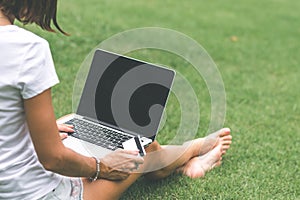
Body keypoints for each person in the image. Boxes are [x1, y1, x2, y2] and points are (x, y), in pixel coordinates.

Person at [0, 1, 232, 199]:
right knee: (139, 150)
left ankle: (187, 156)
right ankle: (193, 152)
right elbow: (53, 159)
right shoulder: (27, 48)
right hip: (36, 193)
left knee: (72, 122)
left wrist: (34, 133)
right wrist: (103, 167)